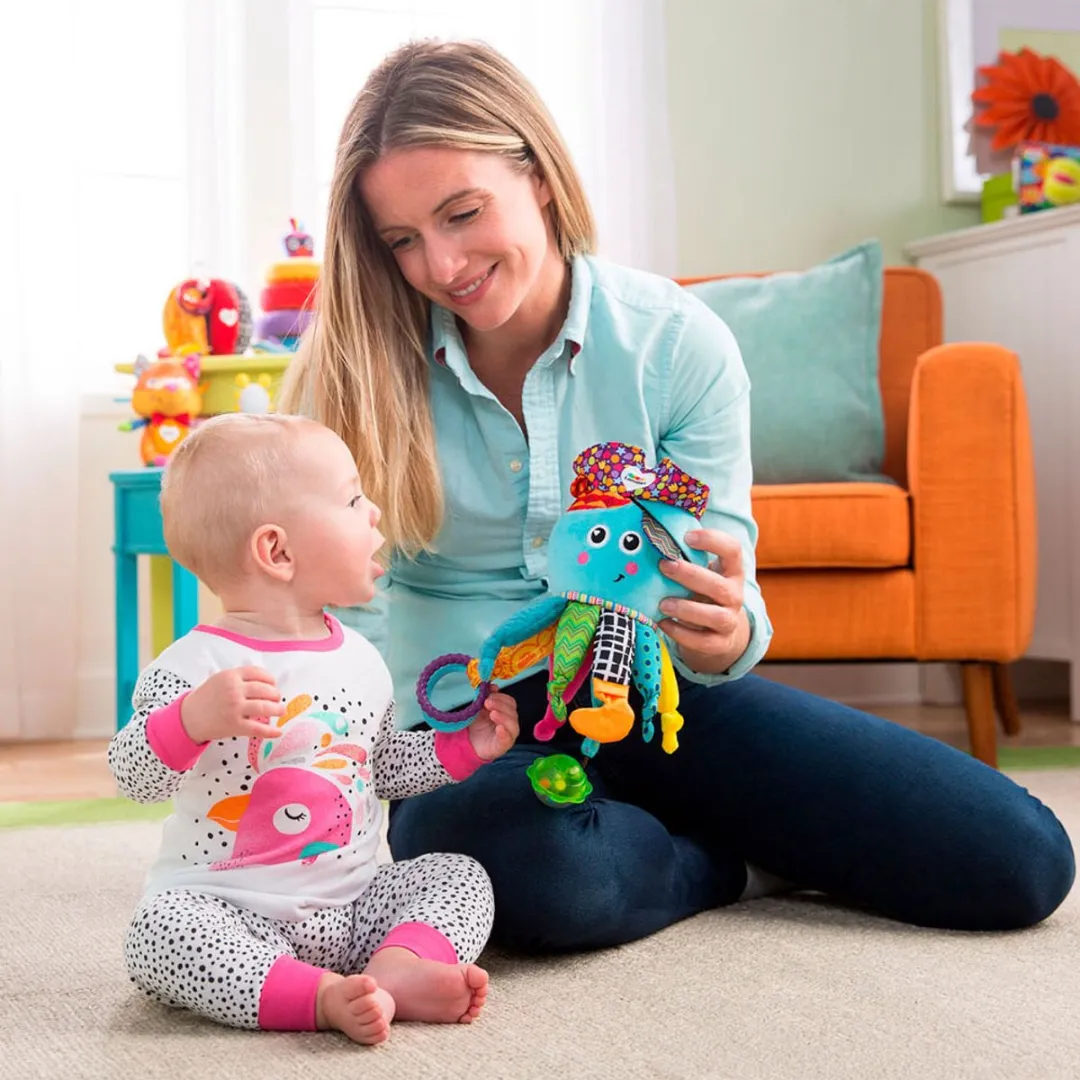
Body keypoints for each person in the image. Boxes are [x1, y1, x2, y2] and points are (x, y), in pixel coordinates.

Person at [279, 38, 1075, 954]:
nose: (443, 264)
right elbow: (338, 616)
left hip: (650, 692)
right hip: (465, 723)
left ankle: (638, 817)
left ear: (537, 175)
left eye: (463, 213)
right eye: (404, 240)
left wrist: (733, 632)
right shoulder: (346, 375)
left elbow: (724, 576)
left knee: (1020, 861)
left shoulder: (676, 345)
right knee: (529, 868)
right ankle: (725, 865)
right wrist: (359, 765)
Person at [107, 413, 519, 1044]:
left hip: (354, 909)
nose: (375, 512)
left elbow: (379, 768)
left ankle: (395, 970)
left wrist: (464, 748)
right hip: (231, 911)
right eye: (353, 499)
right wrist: (192, 719)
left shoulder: (360, 657)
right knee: (159, 933)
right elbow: (131, 775)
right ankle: (318, 998)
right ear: (278, 551)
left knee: (460, 876)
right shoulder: (194, 668)